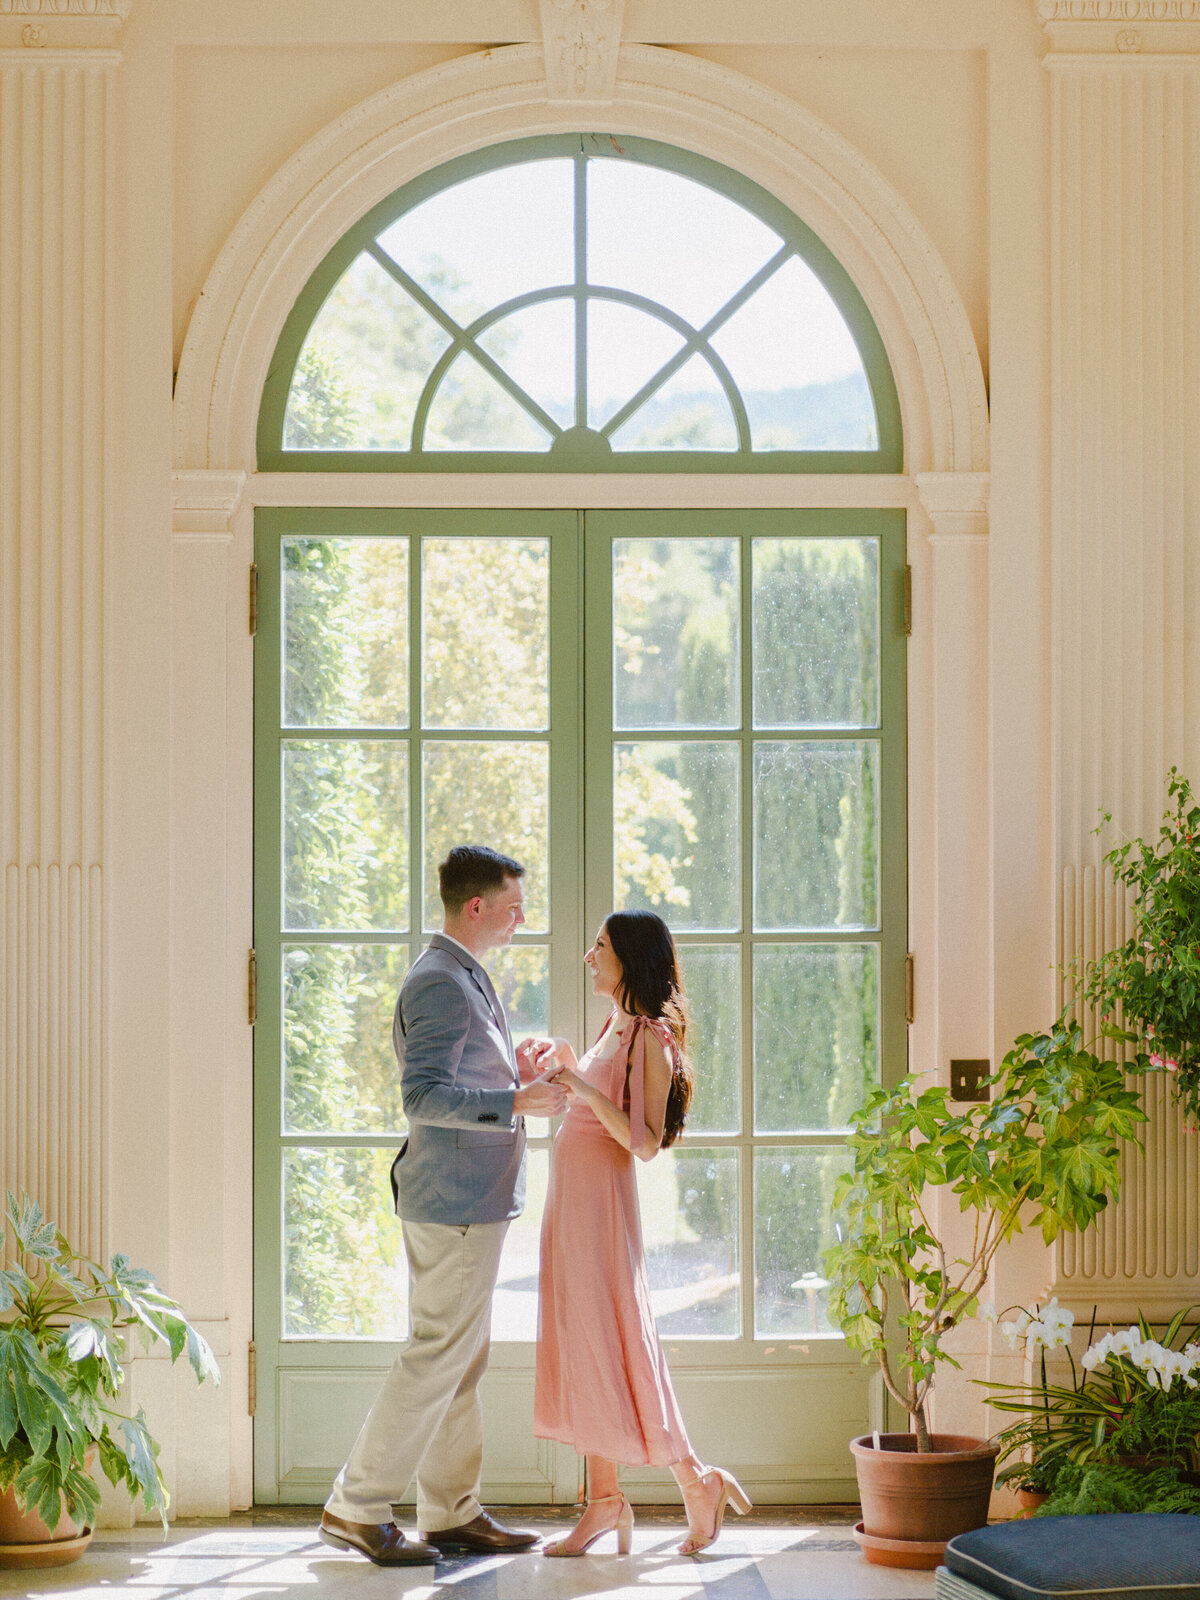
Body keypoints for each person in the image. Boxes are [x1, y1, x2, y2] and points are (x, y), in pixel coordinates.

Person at [320, 845, 567, 1565]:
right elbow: (421, 1096)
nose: (523, 919)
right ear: (476, 907)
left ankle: (451, 1511)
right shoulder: (440, 982)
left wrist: (509, 1074)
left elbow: (455, 1074)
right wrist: (512, 1100)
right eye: (515, 906)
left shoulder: (465, 974)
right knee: (436, 1356)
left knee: (460, 1361)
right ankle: (356, 1506)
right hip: (451, 1202)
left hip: (470, 1200)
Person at [531, 909, 752, 1557]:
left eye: (598, 945)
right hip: (571, 1207)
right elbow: (597, 1102)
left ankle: (695, 1476)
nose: (587, 956)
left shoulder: (651, 1038)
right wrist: (568, 1066)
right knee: (585, 1343)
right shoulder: (613, 1026)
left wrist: (578, 1085)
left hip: (601, 1210)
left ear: (628, 956)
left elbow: (646, 1142)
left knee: (616, 1339)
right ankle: (605, 1502)